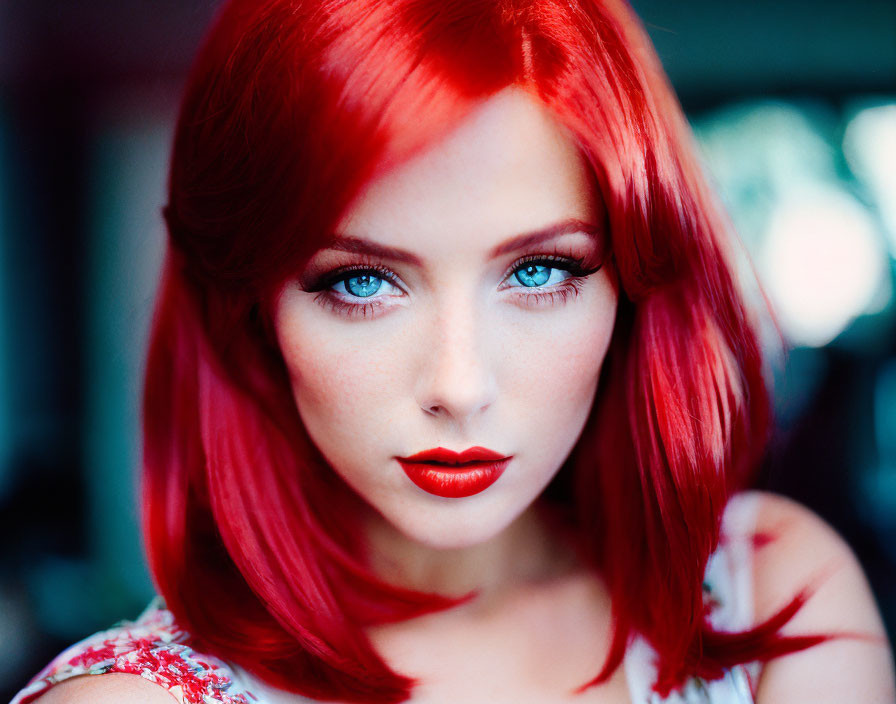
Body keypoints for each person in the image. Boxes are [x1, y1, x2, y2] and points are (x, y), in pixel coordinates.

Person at [13, 0, 896, 702]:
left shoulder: (772, 599)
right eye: (362, 283)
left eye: (542, 270)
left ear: (630, 281)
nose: (460, 385)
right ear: (253, 310)